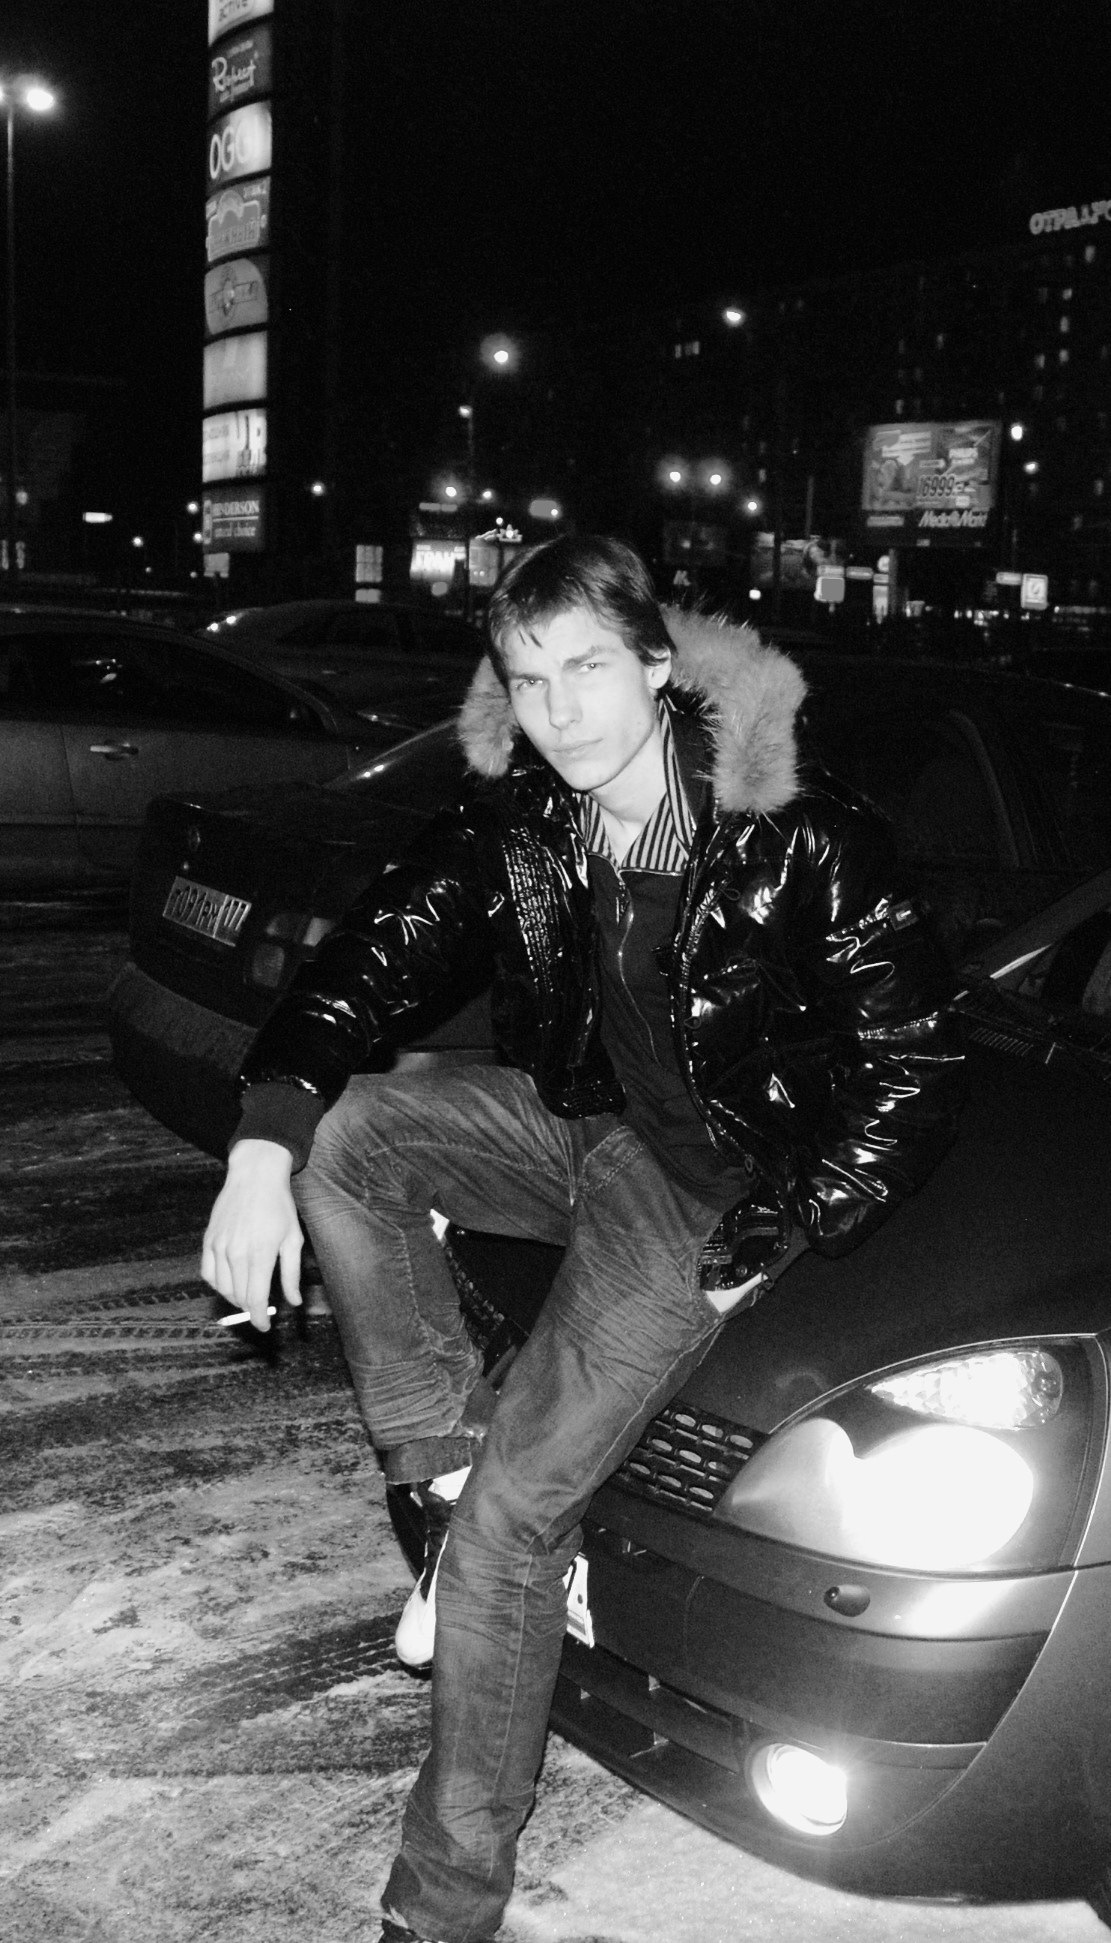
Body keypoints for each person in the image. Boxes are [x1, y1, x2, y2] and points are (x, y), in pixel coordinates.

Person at [201, 533, 963, 1943]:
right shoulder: (525, 818)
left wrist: (793, 1216)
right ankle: (444, 1470)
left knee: (516, 1530)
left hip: (702, 1192)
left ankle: (441, 1906)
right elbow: (374, 953)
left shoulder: (798, 833)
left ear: (658, 668)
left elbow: (914, 1060)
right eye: (529, 679)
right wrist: (262, 1138)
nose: (560, 712)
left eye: (589, 669)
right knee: (345, 1134)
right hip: (583, 1124)